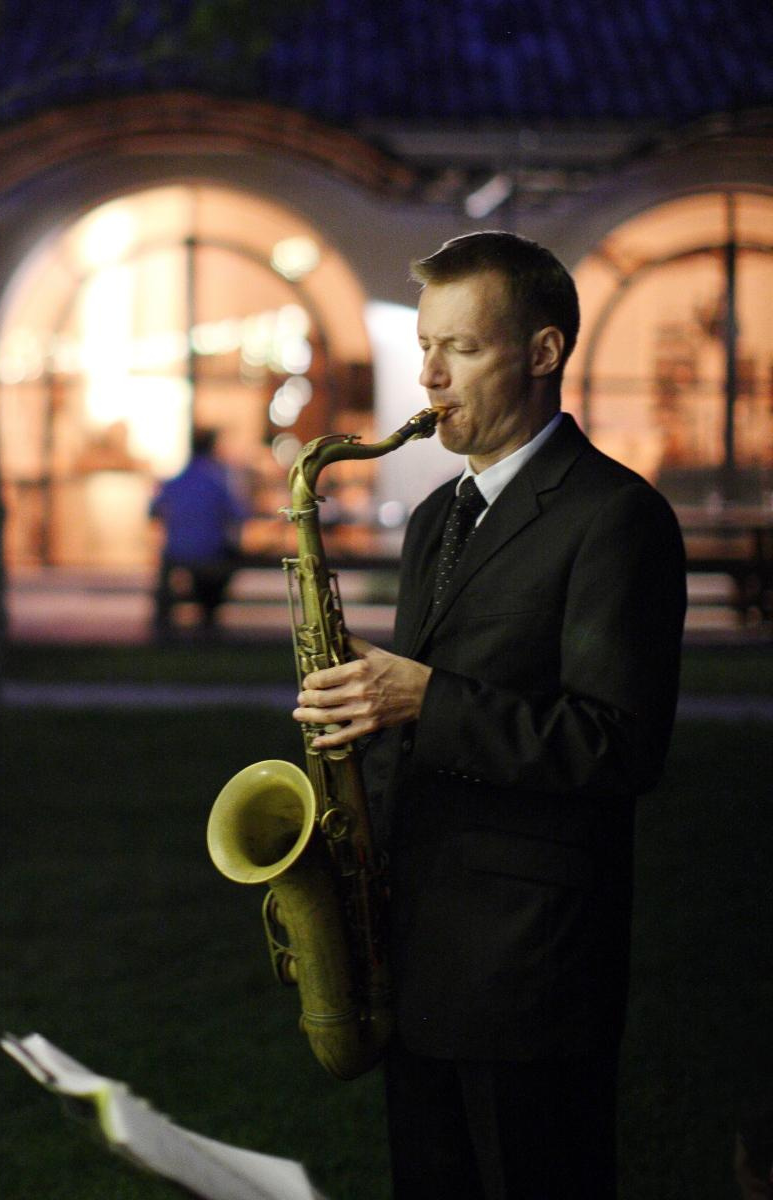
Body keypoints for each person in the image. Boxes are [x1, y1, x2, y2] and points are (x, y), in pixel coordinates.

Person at [291, 232, 686, 1199]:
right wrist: (356, 730)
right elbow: (420, 701)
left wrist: (425, 698)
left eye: (460, 349)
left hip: (530, 970)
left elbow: (618, 745)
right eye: (426, 346)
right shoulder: (438, 516)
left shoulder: (615, 517)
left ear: (544, 352)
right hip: (414, 947)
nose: (427, 375)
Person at [149, 428, 246, 638]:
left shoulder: (174, 481)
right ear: (212, 448)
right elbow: (239, 514)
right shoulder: (218, 481)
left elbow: (153, 511)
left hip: (176, 552)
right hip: (210, 552)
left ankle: (162, 627)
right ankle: (209, 618)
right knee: (225, 565)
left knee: (168, 570)